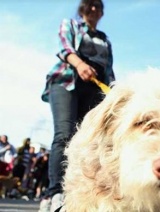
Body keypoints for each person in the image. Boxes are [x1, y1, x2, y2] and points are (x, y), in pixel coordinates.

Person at [39, 0, 115, 211]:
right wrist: (80, 64)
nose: (94, 10)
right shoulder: (71, 25)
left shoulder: (105, 40)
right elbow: (65, 48)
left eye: (98, 7)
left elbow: (109, 70)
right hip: (66, 82)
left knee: (86, 141)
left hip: (94, 90)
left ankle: (75, 192)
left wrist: (114, 95)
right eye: (90, 6)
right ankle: (54, 193)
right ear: (83, 9)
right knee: (64, 135)